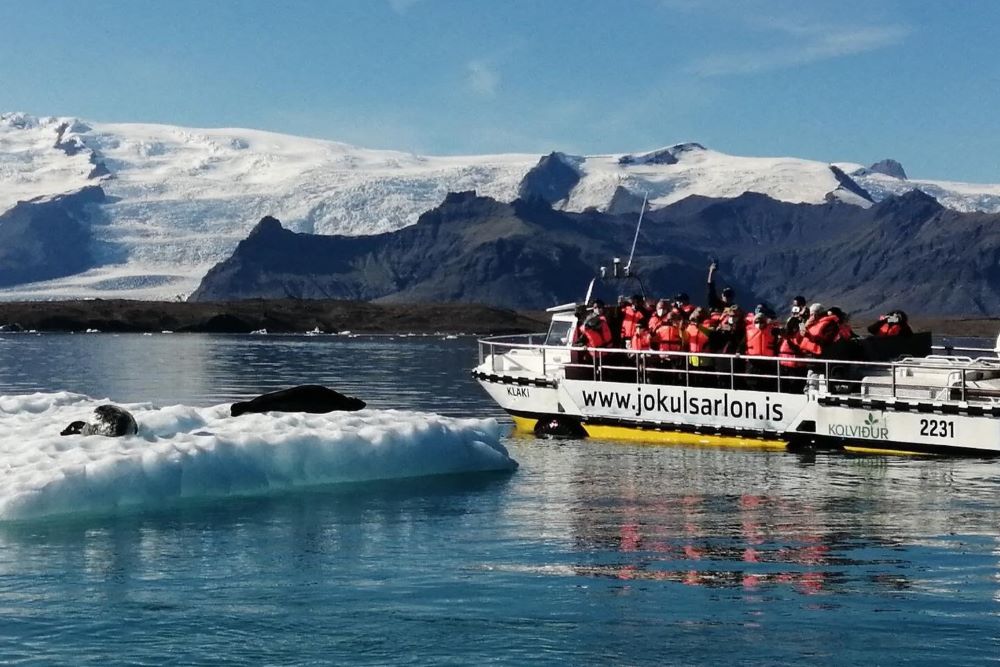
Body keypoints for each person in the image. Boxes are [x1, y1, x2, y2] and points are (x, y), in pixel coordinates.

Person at [706, 261, 745, 354]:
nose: (727, 297)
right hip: (713, 336)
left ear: (733, 296)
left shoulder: (735, 309)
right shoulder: (715, 303)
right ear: (722, 295)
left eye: (730, 295)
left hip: (727, 339)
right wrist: (711, 272)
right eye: (726, 295)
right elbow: (710, 287)